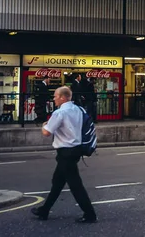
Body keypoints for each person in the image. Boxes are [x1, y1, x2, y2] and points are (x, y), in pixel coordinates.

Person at [31, 86, 97, 223]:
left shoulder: (60, 113)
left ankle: (90, 214)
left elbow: (47, 132)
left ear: (62, 97)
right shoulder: (78, 109)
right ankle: (44, 210)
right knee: (57, 183)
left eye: (55, 96)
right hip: (76, 150)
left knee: (75, 185)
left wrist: (44, 125)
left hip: (66, 152)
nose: (54, 99)